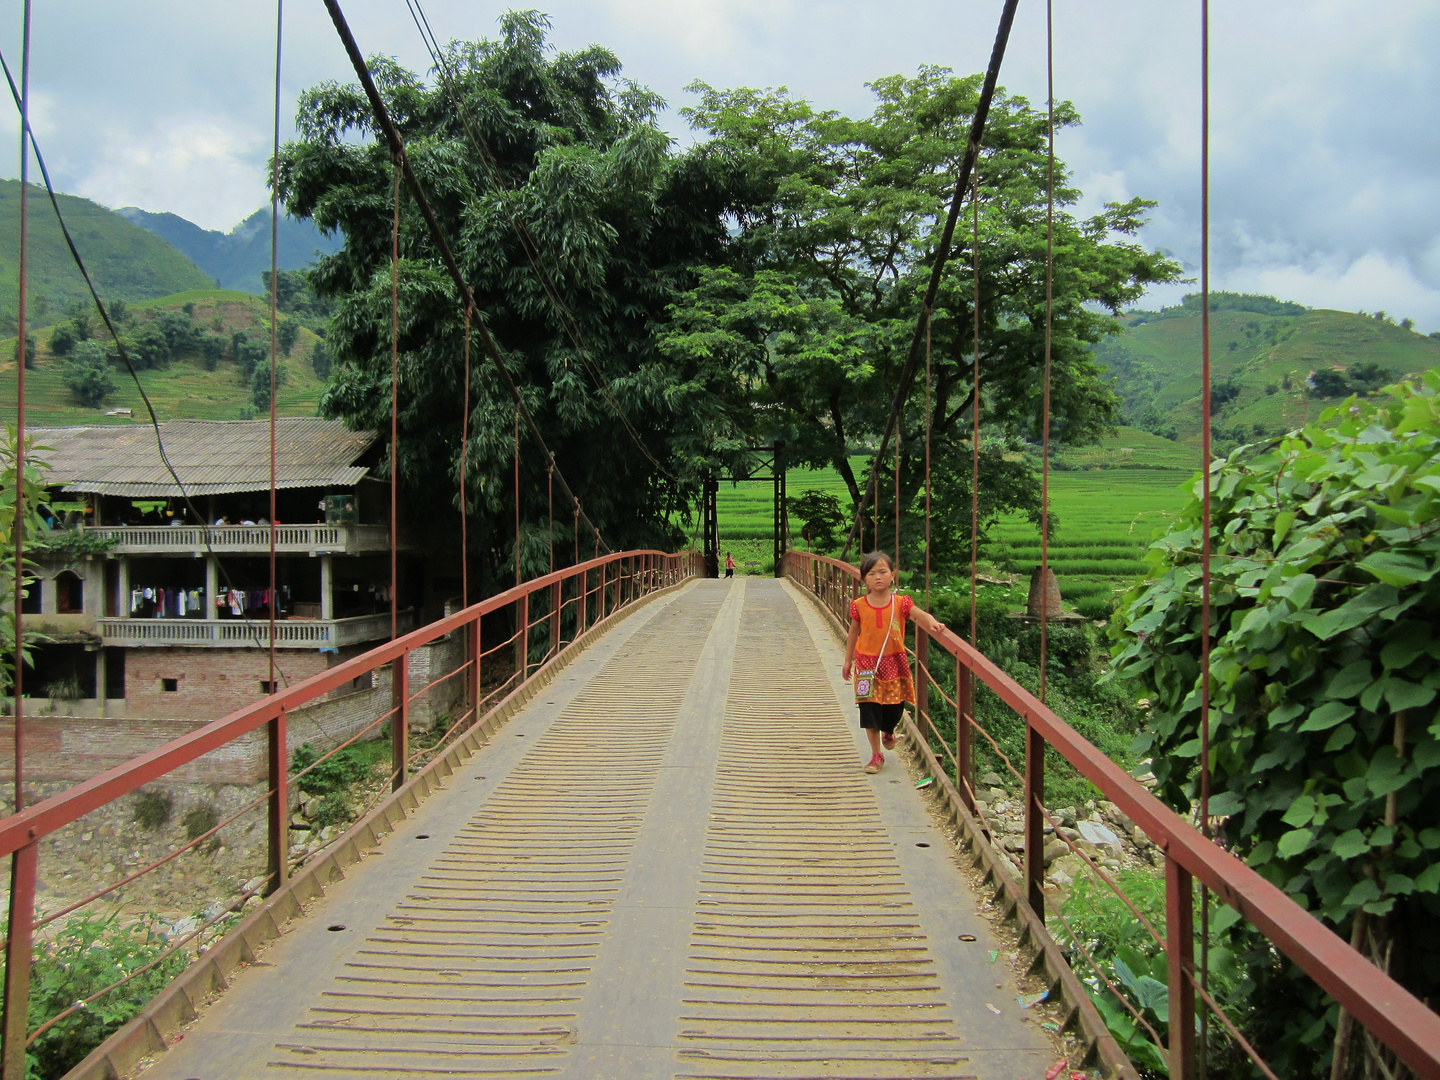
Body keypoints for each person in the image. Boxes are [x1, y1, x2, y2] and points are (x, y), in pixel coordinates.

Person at [841, 551, 946, 774]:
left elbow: (918, 614)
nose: (877, 577)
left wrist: (932, 621)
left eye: (882, 572)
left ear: (892, 575)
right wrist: (848, 660)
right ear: (864, 579)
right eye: (871, 573)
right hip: (866, 665)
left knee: (894, 707)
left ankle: (889, 729)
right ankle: (876, 755)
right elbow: (853, 633)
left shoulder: (901, 603)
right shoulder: (859, 605)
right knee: (868, 708)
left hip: (894, 663)